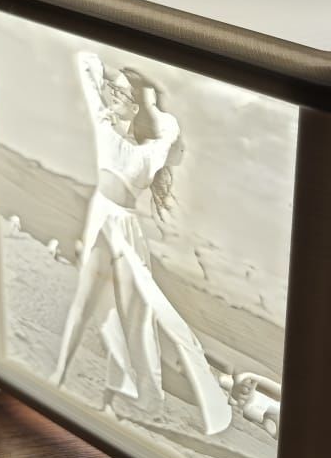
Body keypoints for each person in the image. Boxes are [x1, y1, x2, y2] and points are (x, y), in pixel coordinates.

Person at [50, 50, 232, 436]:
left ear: (136, 107)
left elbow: (171, 128)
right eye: (114, 92)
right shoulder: (104, 123)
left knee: (136, 316)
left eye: (122, 95)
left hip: (127, 229)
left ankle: (138, 396)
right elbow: (85, 60)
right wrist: (112, 80)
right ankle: (59, 376)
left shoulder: (151, 152)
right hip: (101, 217)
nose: (114, 97)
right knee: (85, 303)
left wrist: (147, 102)